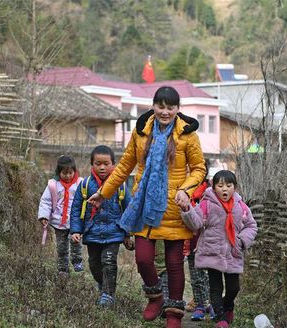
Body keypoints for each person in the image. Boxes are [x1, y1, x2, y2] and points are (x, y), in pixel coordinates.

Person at [88, 86, 206, 328]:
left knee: (174, 264)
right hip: (143, 205)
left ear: (177, 109)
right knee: (143, 259)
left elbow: (199, 169)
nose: (165, 111)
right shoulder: (141, 132)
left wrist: (185, 190)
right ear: (153, 106)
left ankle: (173, 315)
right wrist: (103, 193)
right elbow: (123, 166)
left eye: (170, 107)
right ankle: (155, 297)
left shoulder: (188, 136)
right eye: (160, 106)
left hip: (173, 206)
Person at [179, 170, 258, 327]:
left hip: (233, 252)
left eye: (228, 185)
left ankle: (227, 306)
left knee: (234, 287)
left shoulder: (241, 207)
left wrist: (242, 241)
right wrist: (187, 210)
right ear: (214, 187)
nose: (224, 189)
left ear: (234, 188)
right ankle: (221, 318)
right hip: (212, 251)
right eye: (220, 185)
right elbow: (196, 223)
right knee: (216, 287)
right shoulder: (207, 204)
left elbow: (251, 225)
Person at [70, 145, 131, 307]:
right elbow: (76, 208)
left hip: (114, 232)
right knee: (94, 264)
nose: (102, 167)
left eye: (106, 163)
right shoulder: (85, 185)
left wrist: (127, 233)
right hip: (92, 232)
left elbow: (129, 209)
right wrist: (76, 230)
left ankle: (108, 295)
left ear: (113, 164)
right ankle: (103, 286)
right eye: (98, 163)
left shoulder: (121, 186)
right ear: (92, 164)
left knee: (109, 261)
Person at [38, 155, 84, 278]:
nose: (68, 176)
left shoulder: (80, 184)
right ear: (59, 173)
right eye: (64, 173)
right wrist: (44, 216)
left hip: (75, 221)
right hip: (59, 222)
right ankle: (63, 269)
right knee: (61, 247)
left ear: (74, 171)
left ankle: (77, 261)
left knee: (76, 242)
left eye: (70, 173)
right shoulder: (53, 185)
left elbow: (86, 200)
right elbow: (46, 201)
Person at [186, 163, 215, 321]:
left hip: (207, 239)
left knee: (209, 275)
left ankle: (210, 303)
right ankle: (199, 305)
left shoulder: (211, 190)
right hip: (190, 240)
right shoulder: (182, 188)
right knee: (196, 275)